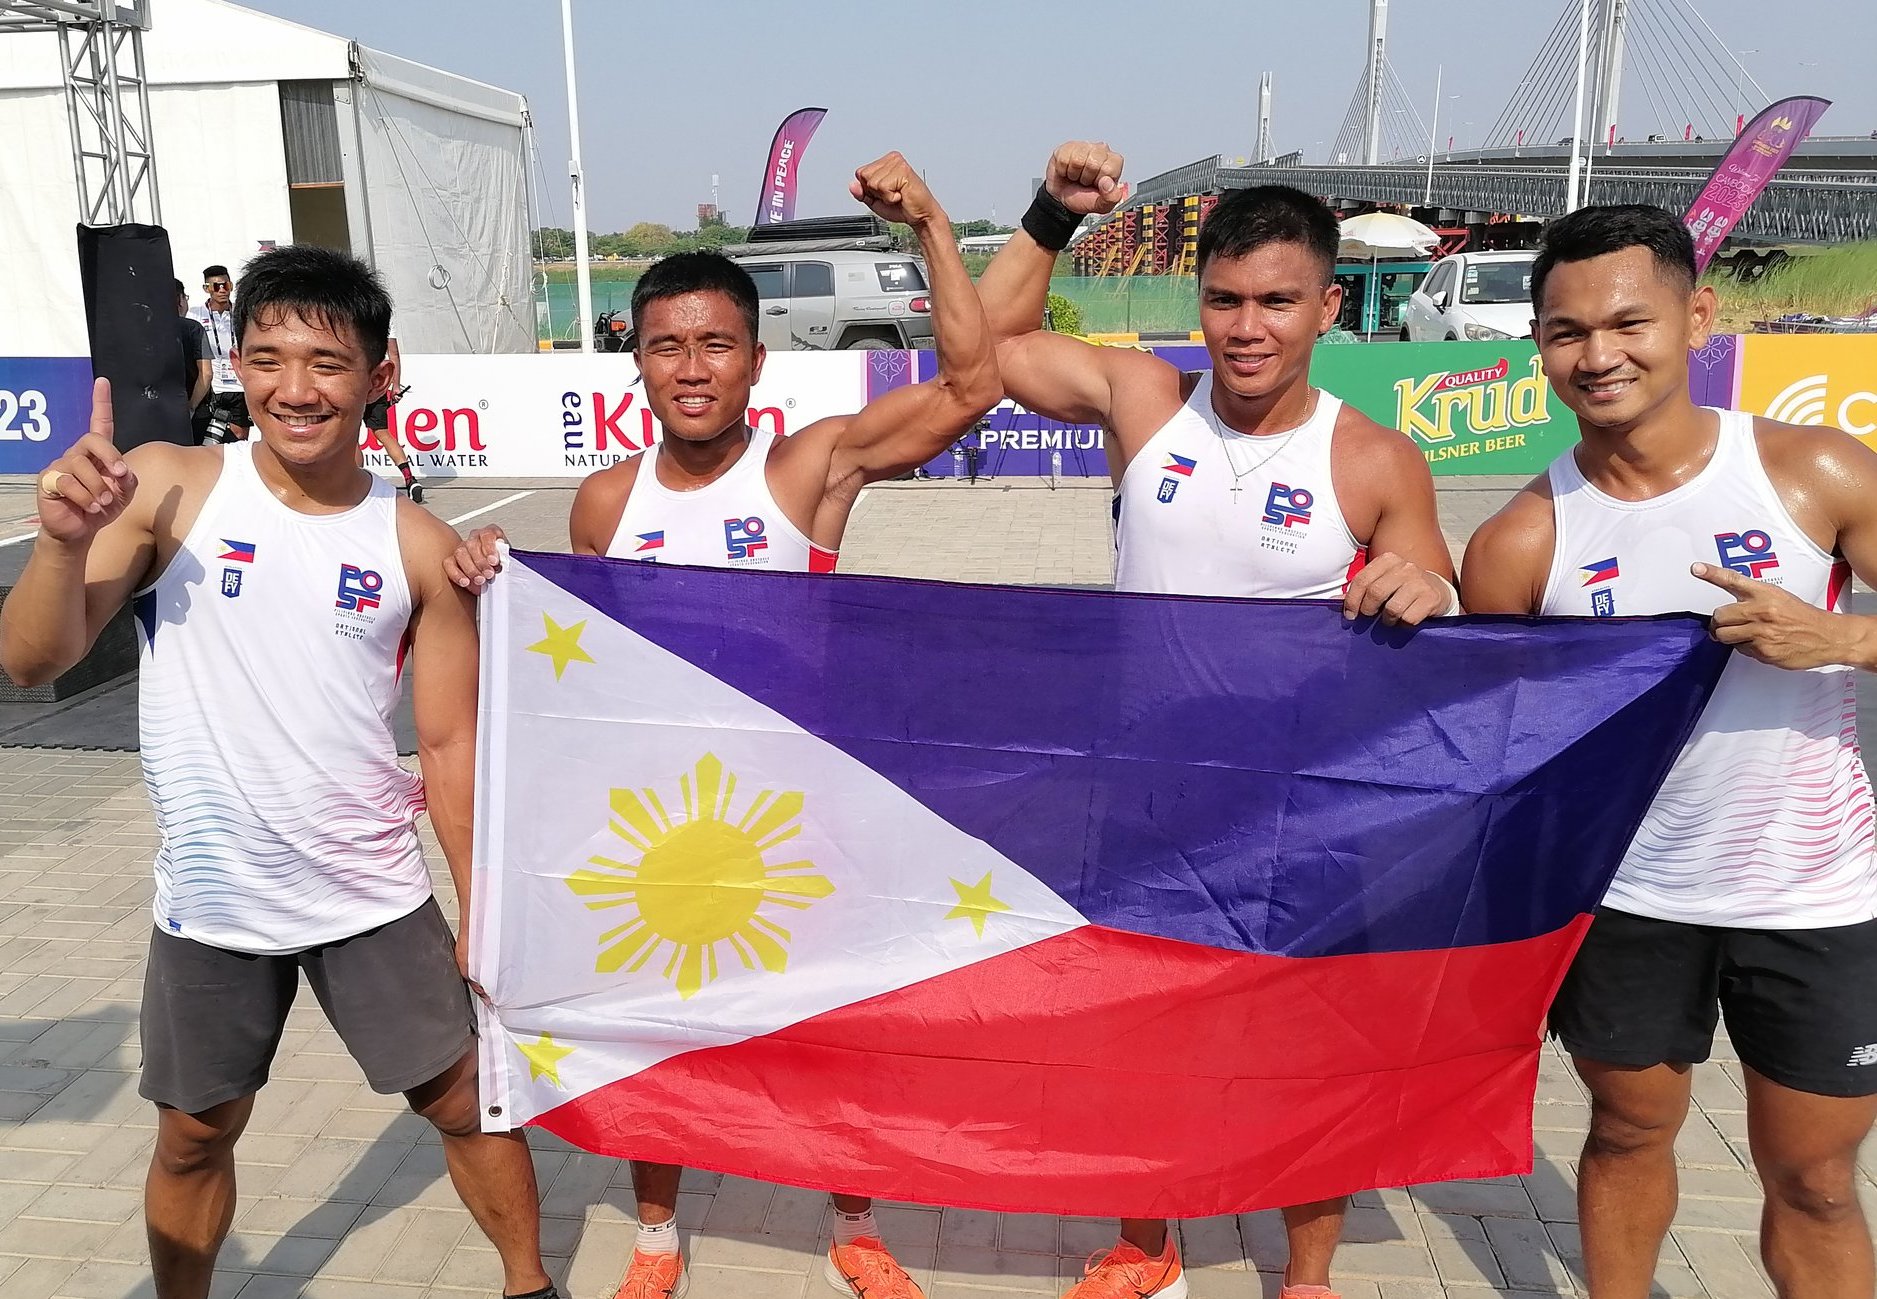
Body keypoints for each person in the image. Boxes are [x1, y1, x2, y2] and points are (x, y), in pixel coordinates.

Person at [446, 152, 999, 1299]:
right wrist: (479, 578)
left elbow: (967, 388)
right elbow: (570, 684)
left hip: (805, 817)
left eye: (713, 345)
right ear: (636, 359)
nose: (689, 369)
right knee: (655, 1023)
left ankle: (851, 1217)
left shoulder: (808, 470)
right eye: (665, 345)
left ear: (754, 357)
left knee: (827, 1029)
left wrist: (933, 225)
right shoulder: (606, 500)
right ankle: (657, 1231)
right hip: (662, 824)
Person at [0, 247, 560, 1299]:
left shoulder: (420, 545)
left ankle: (530, 1284)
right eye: (267, 358)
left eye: (325, 362)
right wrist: (61, 547)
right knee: (192, 1137)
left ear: (379, 373)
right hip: (213, 903)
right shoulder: (169, 486)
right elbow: (30, 659)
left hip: (371, 899)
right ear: (239, 362)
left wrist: (482, 914)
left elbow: (445, 749)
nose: (294, 388)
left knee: (464, 1101)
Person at [975, 142, 1459, 1299]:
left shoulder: (1374, 458)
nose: (1247, 328)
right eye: (1225, 300)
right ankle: (1148, 1243)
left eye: (1277, 302)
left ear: (1327, 305)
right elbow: (983, 348)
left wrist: (1424, 591)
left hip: (1301, 812)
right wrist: (1047, 216)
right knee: (1143, 1028)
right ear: (1199, 301)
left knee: (1299, 1046)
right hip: (1144, 792)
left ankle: (1305, 1274)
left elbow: (1445, 601)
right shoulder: (1145, 401)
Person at [1462, 204, 1877, 1299]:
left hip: (1813, 900)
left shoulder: (1816, 472)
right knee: (1627, 1133)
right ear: (1537, 345)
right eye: (1563, 332)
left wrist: (1839, 637)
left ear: (1696, 316)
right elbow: (1486, 749)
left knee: (1816, 1181)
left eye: (1627, 322)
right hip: (1629, 899)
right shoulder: (1516, 541)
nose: (1596, 355)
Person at [190, 264, 249, 443]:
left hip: (239, 385)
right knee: (210, 438)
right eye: (217, 286)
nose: (223, 290)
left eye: (227, 285)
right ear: (207, 289)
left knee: (239, 437)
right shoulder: (195, 314)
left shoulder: (242, 312)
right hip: (212, 386)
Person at [364, 325, 422, 500]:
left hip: (354, 384)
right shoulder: (387, 321)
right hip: (378, 386)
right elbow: (394, 355)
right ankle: (410, 479)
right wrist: (395, 387)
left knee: (349, 437)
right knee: (384, 434)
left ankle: (350, 487)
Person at [175, 279, 210, 416]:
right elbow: (206, 374)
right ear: (179, 300)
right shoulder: (193, 328)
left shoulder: (144, 328)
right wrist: (191, 406)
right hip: (191, 406)